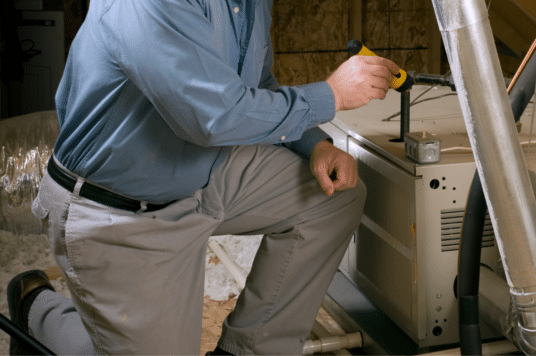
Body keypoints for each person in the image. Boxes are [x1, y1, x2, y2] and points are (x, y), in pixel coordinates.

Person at [6, 0, 399, 354]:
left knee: (333, 196)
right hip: (118, 210)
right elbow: (212, 118)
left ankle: (247, 351)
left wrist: (314, 144)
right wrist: (330, 94)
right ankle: (37, 307)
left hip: (201, 172)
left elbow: (256, 84)